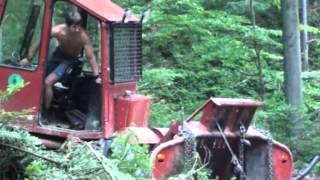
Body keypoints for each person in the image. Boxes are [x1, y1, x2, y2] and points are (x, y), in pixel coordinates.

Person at [20, 11, 100, 120]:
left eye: (78, 26)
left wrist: (96, 75)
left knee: (48, 82)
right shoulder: (57, 31)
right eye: (74, 27)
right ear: (67, 25)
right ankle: (31, 106)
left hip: (70, 60)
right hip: (58, 55)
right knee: (38, 77)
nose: (77, 29)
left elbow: (90, 56)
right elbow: (38, 42)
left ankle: (45, 113)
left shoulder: (82, 35)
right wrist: (28, 58)